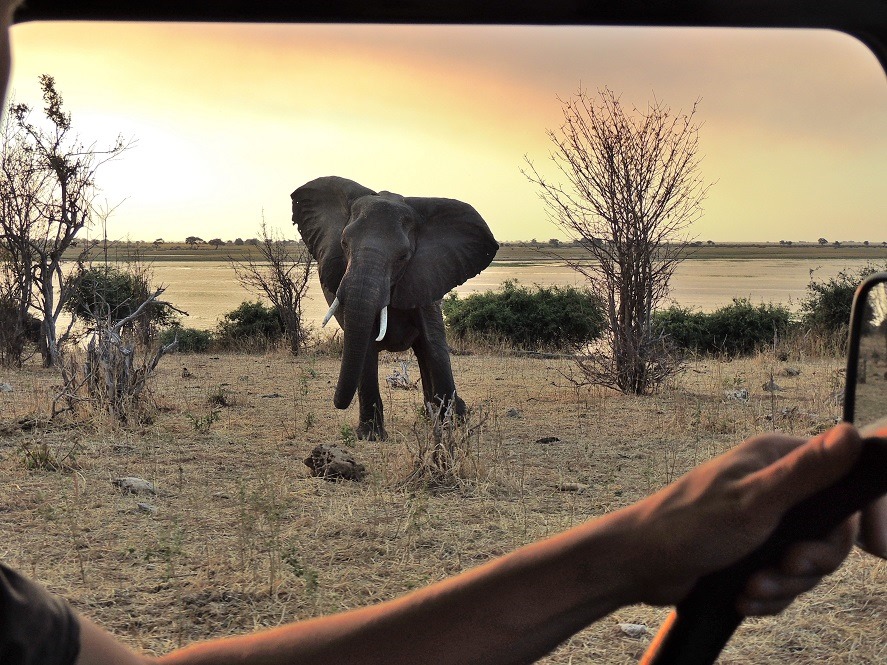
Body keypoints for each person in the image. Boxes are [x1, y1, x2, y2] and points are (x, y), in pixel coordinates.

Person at [1, 3, 886, 664]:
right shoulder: (344, 236)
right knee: (370, 361)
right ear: (338, 240)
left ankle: (443, 410)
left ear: (425, 252)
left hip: (412, 300)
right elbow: (357, 301)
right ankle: (371, 417)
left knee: (432, 353)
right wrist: (624, 557)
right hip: (371, 293)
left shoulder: (426, 258)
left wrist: (630, 553)